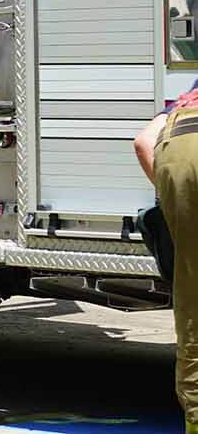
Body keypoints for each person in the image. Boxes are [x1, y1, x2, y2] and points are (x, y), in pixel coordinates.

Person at [134, 83, 198, 433]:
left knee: (193, 299)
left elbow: (143, 142)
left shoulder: (189, 95)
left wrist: (174, 204)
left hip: (178, 147)